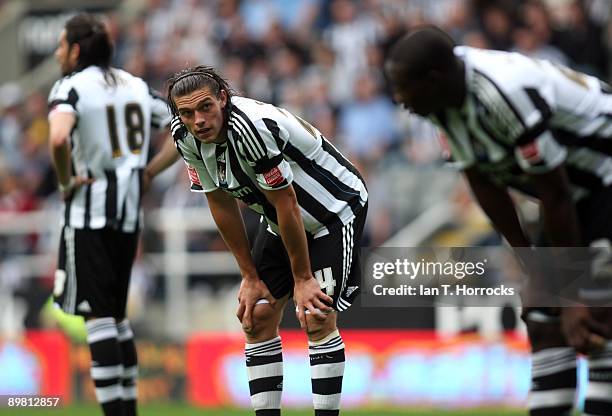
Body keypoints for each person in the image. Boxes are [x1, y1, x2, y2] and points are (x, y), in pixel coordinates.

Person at [385, 26, 612, 416]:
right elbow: (485, 186)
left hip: (602, 178)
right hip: (572, 192)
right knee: (543, 316)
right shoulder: (443, 106)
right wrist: (534, 270)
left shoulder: (504, 92)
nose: (399, 100)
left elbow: (555, 195)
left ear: (433, 80)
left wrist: (570, 293)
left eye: (404, 88)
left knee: (594, 310)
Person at [155, 65, 368, 416]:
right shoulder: (185, 136)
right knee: (255, 315)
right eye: (187, 113)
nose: (199, 120)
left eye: (206, 107)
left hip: (334, 210)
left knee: (315, 314)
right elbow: (219, 201)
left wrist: (302, 279)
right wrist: (250, 277)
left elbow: (287, 201)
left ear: (224, 99)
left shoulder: (250, 128)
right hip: (280, 219)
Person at [48, 13, 172, 416]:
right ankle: (128, 410)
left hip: (90, 212)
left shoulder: (70, 87)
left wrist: (66, 181)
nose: (56, 52)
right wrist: (150, 171)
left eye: (62, 45)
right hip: (129, 215)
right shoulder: (134, 85)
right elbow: (181, 127)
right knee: (117, 318)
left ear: (76, 50)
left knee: (98, 316)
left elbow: (58, 136)